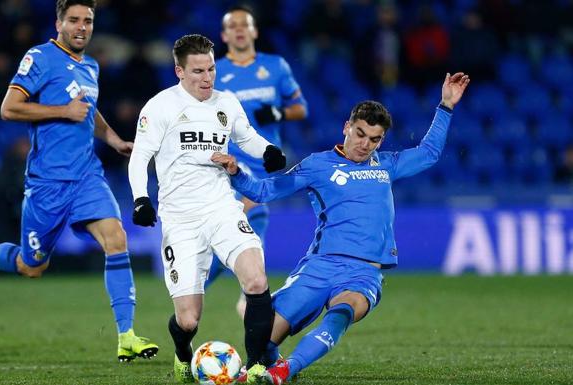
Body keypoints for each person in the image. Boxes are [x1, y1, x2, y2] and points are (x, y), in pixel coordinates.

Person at [212, 72, 470, 384]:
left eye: (374, 139)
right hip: (319, 266)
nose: (365, 144)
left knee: (344, 310)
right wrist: (237, 172)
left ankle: (284, 371)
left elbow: (429, 152)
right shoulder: (317, 165)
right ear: (347, 127)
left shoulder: (386, 164)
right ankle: (269, 361)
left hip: (363, 272)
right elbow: (264, 191)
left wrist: (445, 105)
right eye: (360, 134)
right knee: (263, 335)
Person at [0, 0, 158, 362]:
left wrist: (112, 139)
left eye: (88, 20)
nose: (82, 27)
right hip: (47, 183)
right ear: (59, 22)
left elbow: (88, 113)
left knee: (116, 239)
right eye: (74, 20)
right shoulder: (40, 57)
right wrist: (62, 110)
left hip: (87, 176)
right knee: (32, 266)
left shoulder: (91, 66)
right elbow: (9, 108)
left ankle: (127, 335)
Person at [128, 34, 287, 383]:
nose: (207, 78)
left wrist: (268, 150)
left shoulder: (226, 102)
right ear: (179, 71)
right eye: (198, 71)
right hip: (181, 220)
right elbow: (139, 157)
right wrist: (141, 198)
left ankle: (257, 365)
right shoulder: (160, 107)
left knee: (257, 279)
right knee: (188, 320)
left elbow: (246, 135)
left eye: (212, 69)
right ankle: (183, 354)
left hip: (222, 208)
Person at [209, 5, 308, 317]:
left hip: (265, 159)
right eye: (232, 25)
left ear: (254, 31)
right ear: (224, 35)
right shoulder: (215, 72)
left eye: (244, 24)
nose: (239, 29)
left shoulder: (275, 67)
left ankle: (195, 285)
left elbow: (301, 108)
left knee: (241, 227)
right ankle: (250, 292)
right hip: (229, 160)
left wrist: (278, 113)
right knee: (254, 209)